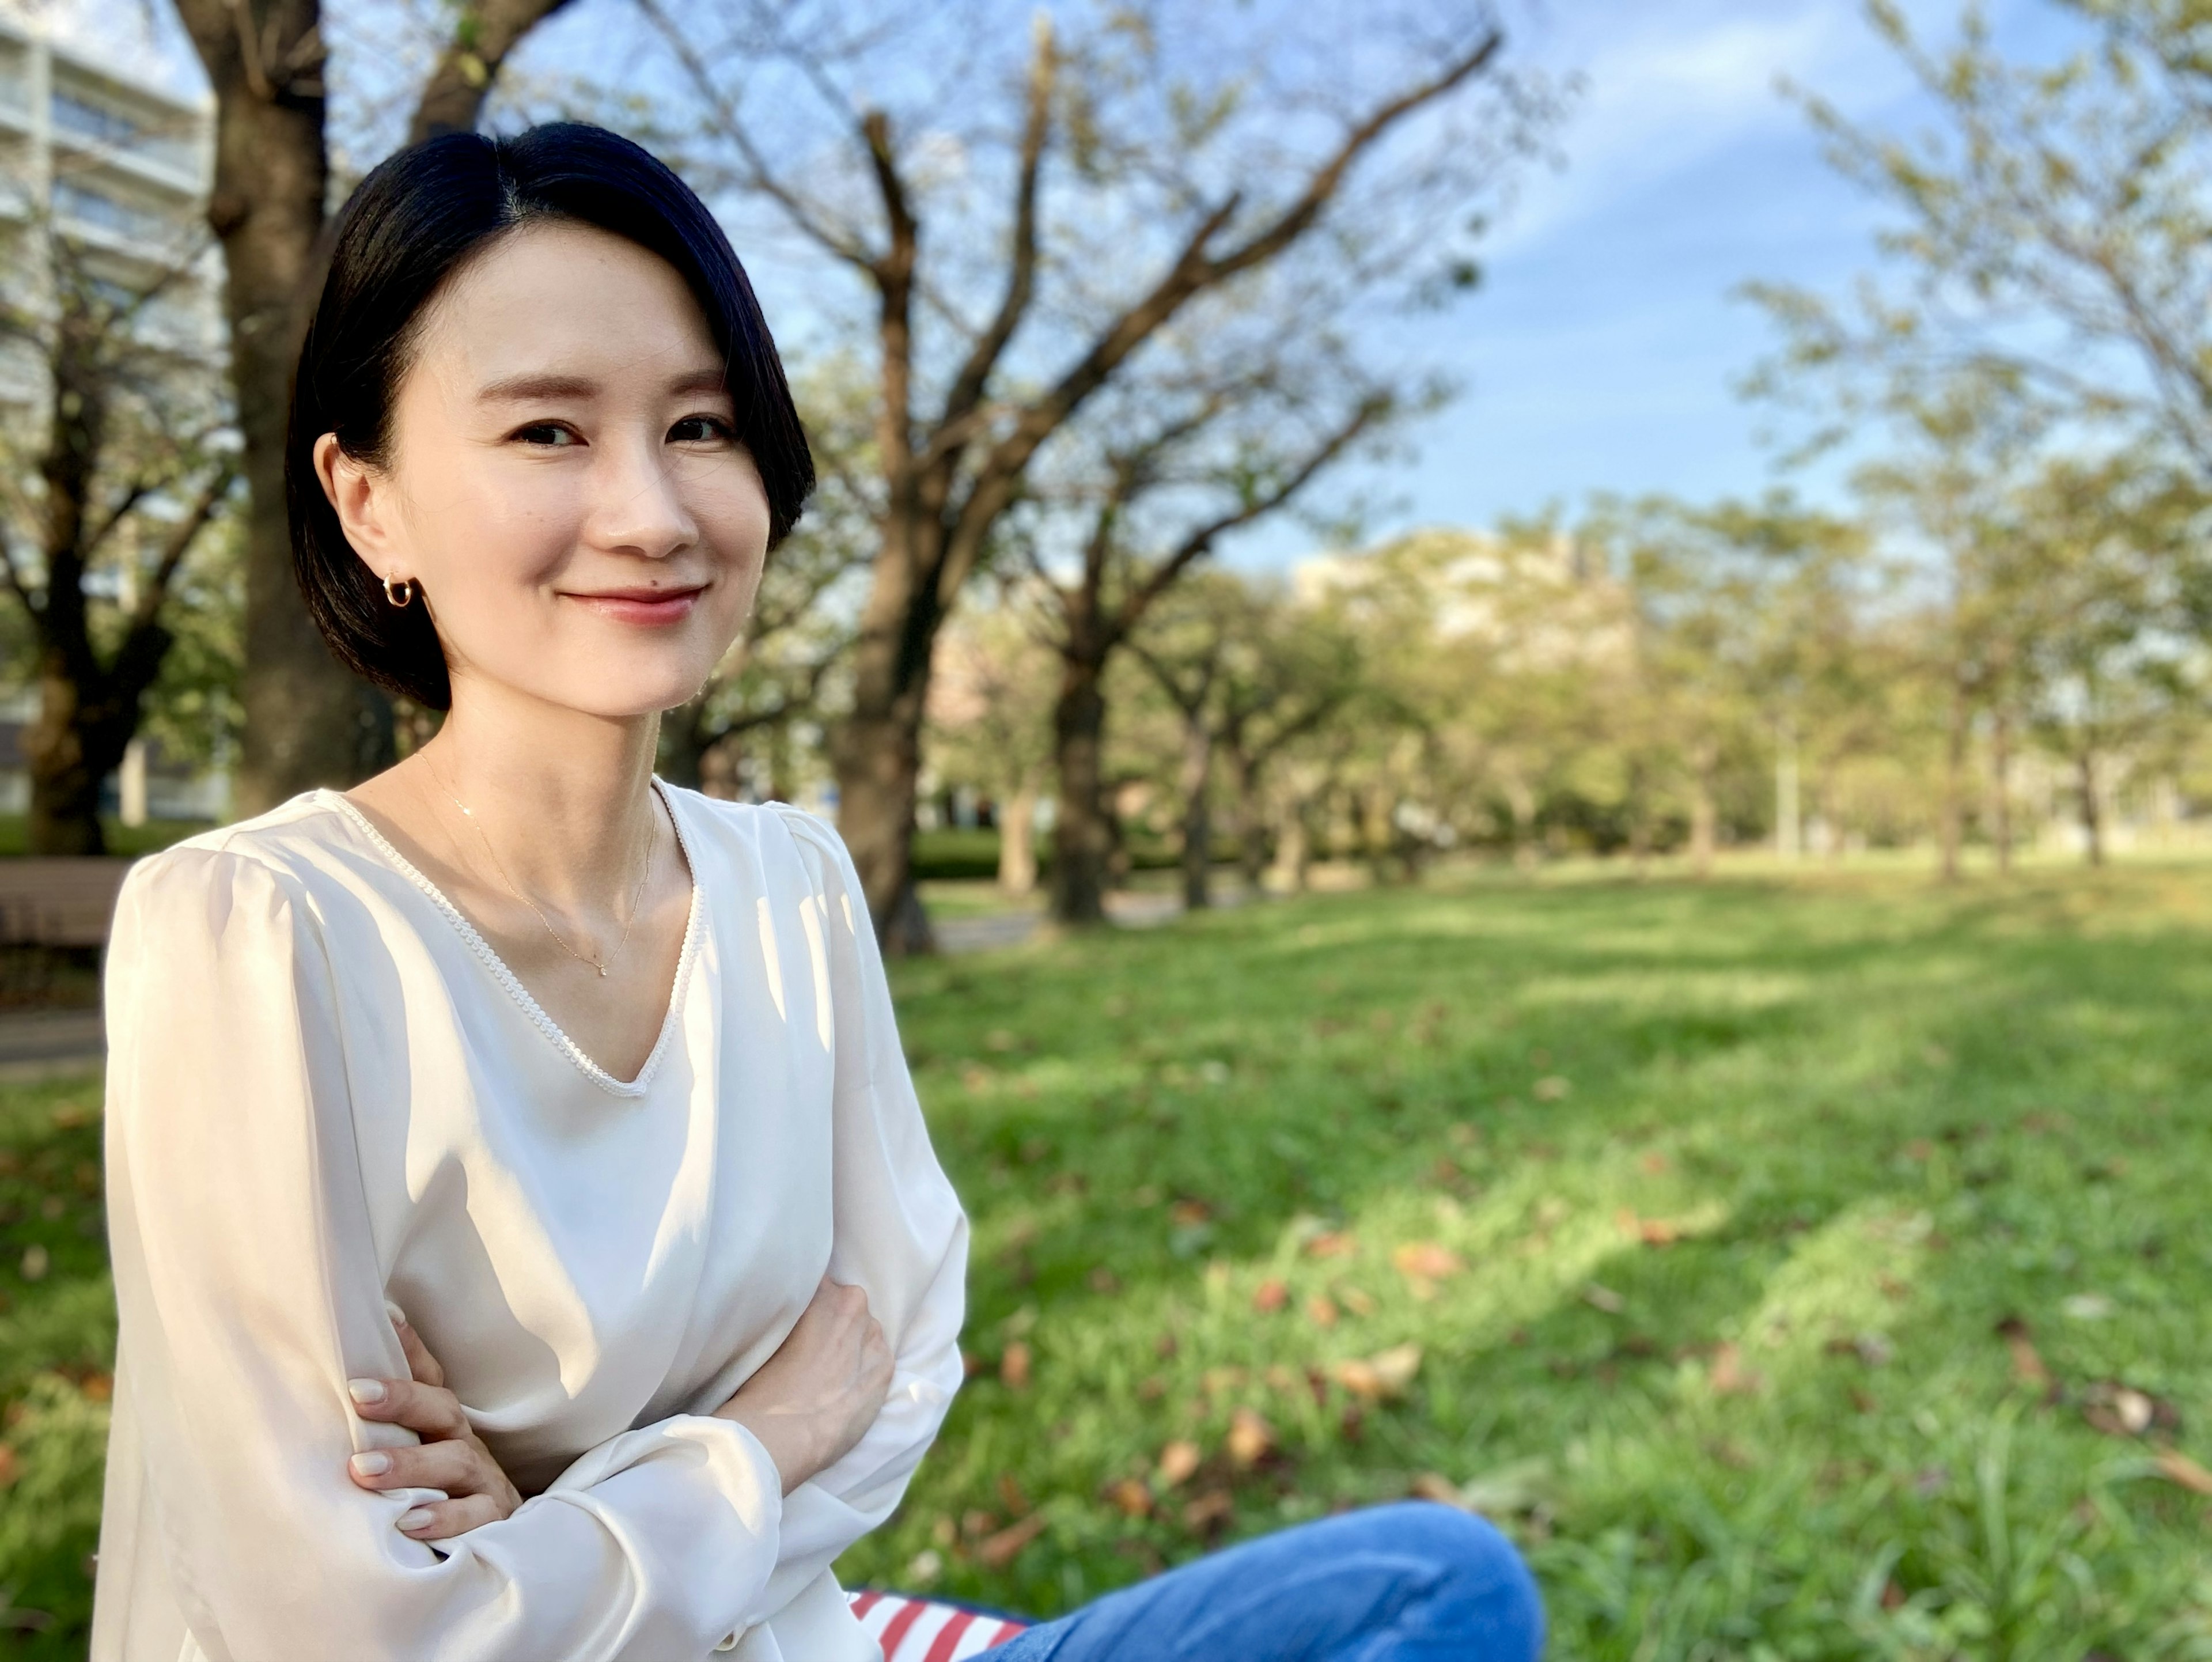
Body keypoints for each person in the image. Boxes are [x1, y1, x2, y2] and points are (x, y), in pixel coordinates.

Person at [89, 123, 1542, 1662]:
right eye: (547, 434)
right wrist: (753, 1438)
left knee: (1439, 1588)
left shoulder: (789, 889)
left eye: (701, 424)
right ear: (368, 499)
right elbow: (339, 1627)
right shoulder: (260, 934)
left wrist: (540, 1520)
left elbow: (896, 1364)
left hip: (796, 1640)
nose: (653, 512)